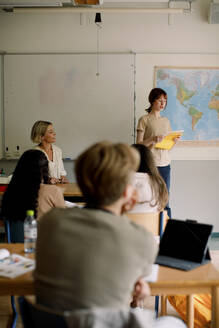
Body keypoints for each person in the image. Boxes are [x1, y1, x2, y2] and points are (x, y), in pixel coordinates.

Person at [1, 149, 65, 241]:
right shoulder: (53, 191)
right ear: (45, 169)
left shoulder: (10, 192)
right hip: (46, 249)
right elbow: (64, 222)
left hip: (16, 250)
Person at [136, 88, 179, 218]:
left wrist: (174, 141)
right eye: (160, 100)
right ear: (152, 101)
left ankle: (167, 234)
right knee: (149, 199)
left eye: (165, 101)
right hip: (149, 164)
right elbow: (138, 145)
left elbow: (168, 147)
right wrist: (152, 140)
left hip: (165, 164)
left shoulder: (166, 121)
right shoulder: (144, 119)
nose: (162, 103)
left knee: (165, 200)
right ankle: (149, 229)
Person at [129, 144, 168, 214]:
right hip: (151, 224)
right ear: (150, 162)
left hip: (124, 224)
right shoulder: (159, 183)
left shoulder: (122, 181)